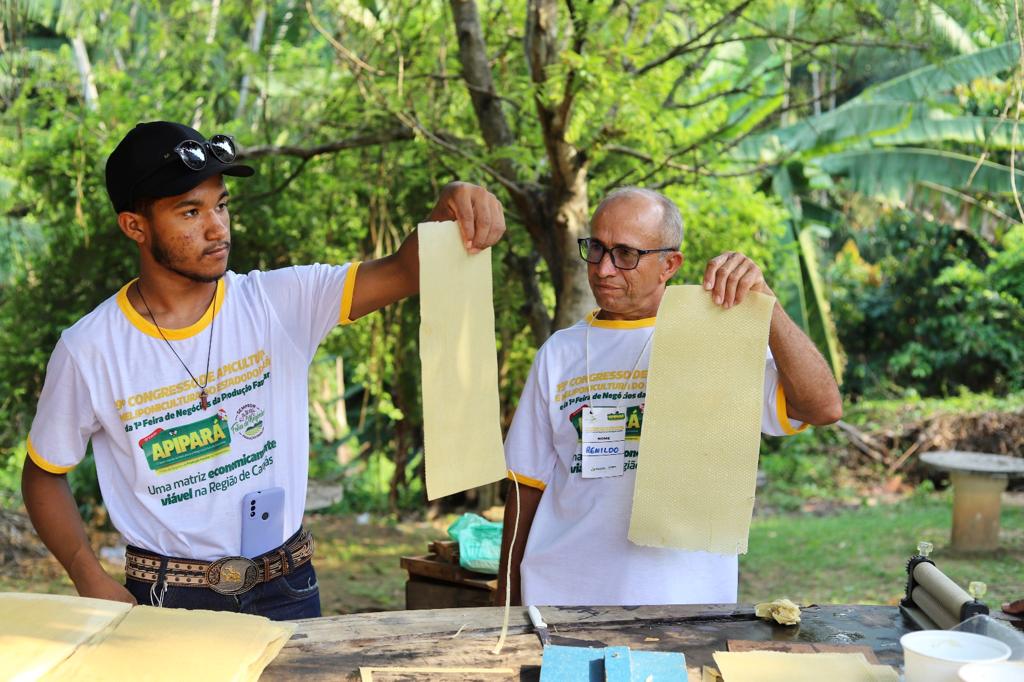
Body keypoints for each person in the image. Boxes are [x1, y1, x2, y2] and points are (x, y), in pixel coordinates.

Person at [22, 121, 506, 619]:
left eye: (222, 205)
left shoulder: (279, 302)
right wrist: (88, 575)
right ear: (135, 226)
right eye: (190, 211)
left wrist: (452, 206)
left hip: (287, 586)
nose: (217, 227)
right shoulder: (91, 348)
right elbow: (43, 475)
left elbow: (405, 270)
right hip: (169, 599)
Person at [497, 187, 842, 607]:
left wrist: (768, 307)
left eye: (626, 254)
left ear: (669, 264)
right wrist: (506, 598)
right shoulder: (559, 352)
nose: (604, 269)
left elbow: (823, 408)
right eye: (597, 249)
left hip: (684, 601)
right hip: (562, 597)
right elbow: (525, 485)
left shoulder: (720, 338)